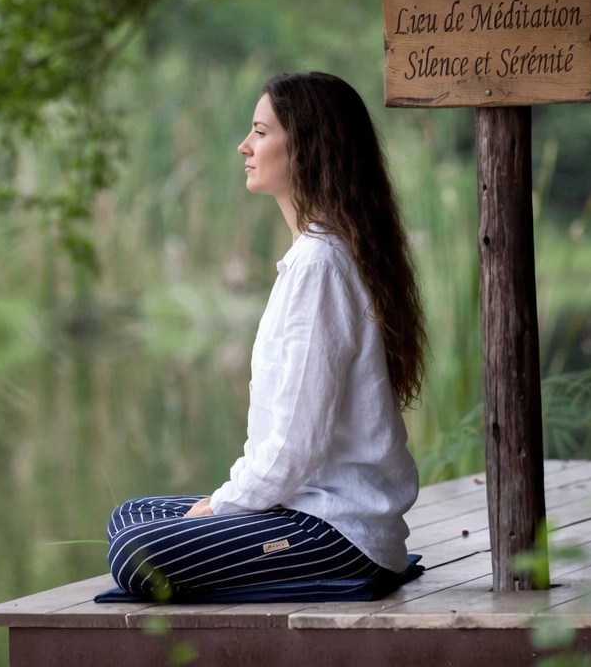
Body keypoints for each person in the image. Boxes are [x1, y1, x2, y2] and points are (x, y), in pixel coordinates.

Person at [106, 71, 428, 599]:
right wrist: (228, 500)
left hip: (335, 531)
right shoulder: (318, 254)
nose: (244, 146)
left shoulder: (320, 265)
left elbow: (293, 444)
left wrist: (228, 503)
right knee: (132, 515)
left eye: (260, 132)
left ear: (305, 147)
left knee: (136, 552)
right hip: (303, 510)